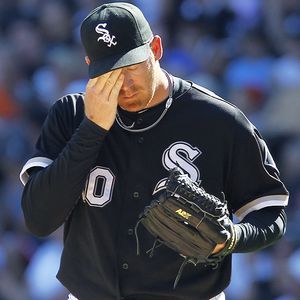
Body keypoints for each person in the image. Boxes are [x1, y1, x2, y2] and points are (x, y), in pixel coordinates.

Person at [19, 2, 289, 300]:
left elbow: (270, 213)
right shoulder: (70, 115)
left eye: (132, 66)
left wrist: (234, 238)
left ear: (156, 48)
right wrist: (91, 131)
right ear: (89, 64)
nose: (124, 83)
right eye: (109, 73)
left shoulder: (219, 120)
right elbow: (38, 219)